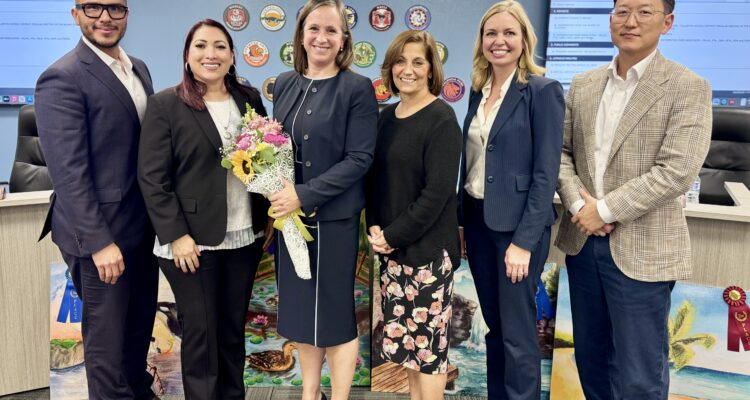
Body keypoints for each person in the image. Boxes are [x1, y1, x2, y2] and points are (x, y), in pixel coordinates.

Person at [556, 0, 713, 398]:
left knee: (639, 374)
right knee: (591, 362)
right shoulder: (583, 84)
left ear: (668, 22)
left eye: (644, 11)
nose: (630, 22)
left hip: (644, 249)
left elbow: (677, 170)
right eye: (622, 11)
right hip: (583, 244)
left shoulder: (688, 86)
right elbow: (559, 155)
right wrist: (580, 208)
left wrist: (604, 210)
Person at [137, 19, 273, 400]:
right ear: (187, 55)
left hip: (244, 234)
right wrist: (177, 235)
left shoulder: (248, 99)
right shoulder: (165, 104)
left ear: (232, 55)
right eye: (200, 46)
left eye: (219, 46)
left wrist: (272, 214)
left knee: (231, 331)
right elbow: (152, 178)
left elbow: (263, 161)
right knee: (201, 333)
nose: (210, 54)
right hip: (190, 242)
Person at [35, 1, 159, 398]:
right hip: (101, 238)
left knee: (138, 333)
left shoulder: (138, 67)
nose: (105, 17)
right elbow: (68, 173)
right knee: (107, 350)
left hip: (141, 230)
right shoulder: (61, 77)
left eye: (116, 8)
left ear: (126, 14)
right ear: (75, 14)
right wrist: (100, 243)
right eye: (93, 7)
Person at [268, 0, 378, 399]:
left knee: (334, 318)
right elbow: (274, 149)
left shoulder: (357, 89)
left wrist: (303, 194)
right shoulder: (283, 83)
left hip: (333, 223)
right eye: (314, 28)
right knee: (302, 319)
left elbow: (360, 159)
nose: (322, 37)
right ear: (301, 34)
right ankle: (310, 393)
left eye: (332, 30)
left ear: (344, 39)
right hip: (288, 222)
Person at [459, 2, 564, 399]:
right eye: (491, 34)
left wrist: (523, 241)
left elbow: (545, 174)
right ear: (481, 42)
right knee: (496, 330)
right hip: (479, 222)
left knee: (519, 335)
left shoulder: (541, 91)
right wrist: (462, 222)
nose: (498, 41)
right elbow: (473, 164)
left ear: (524, 40)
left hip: (518, 232)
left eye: (508, 33)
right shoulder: (477, 91)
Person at [366, 30, 462, 400]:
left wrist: (392, 235)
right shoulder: (385, 117)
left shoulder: (441, 119)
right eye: (400, 62)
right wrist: (377, 228)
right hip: (393, 255)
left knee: (430, 356)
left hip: (427, 256)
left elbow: (437, 194)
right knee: (408, 352)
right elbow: (374, 181)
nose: (408, 69)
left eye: (417, 61)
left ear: (430, 69)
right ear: (390, 69)